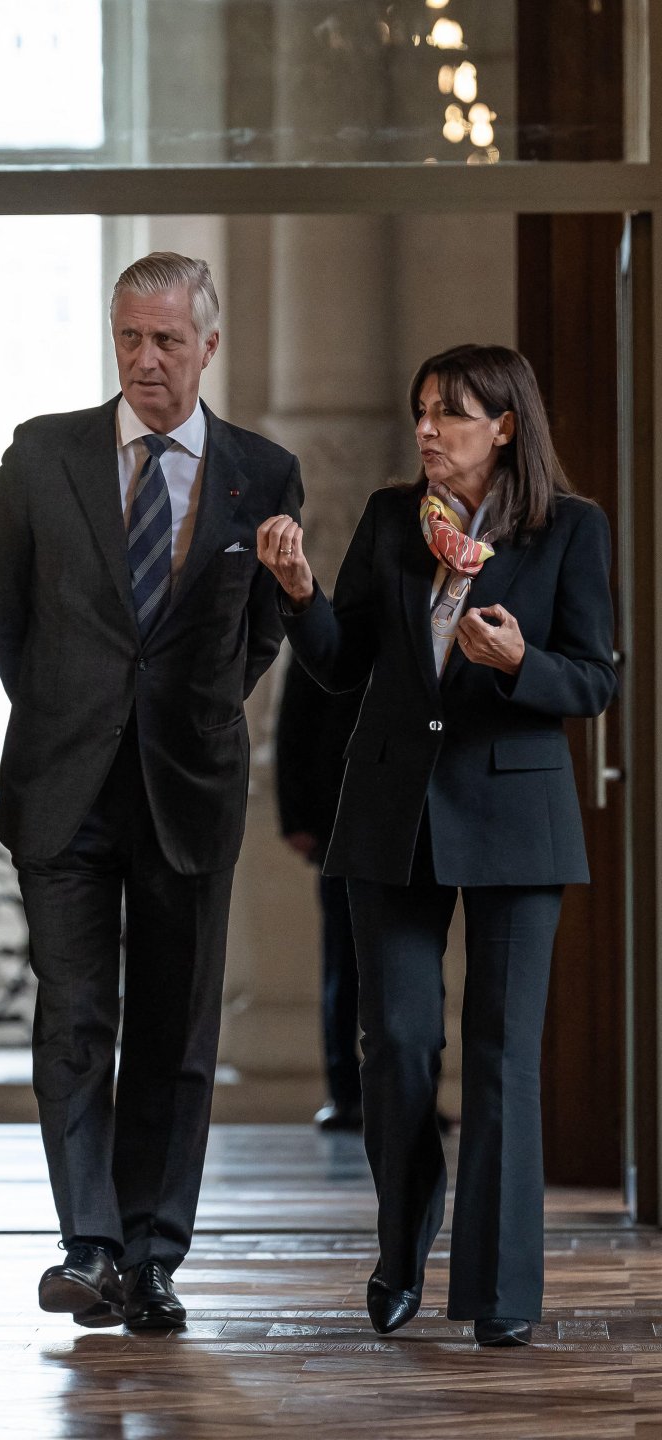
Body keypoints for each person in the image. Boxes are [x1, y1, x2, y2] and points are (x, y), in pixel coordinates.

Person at [257, 343, 617, 1349]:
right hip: (391, 816)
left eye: (450, 413)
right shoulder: (389, 521)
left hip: (515, 818)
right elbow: (339, 667)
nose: (427, 429)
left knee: (505, 1056)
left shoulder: (570, 530)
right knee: (401, 1049)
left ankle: (500, 1287)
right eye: (421, 410)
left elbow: (593, 679)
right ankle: (403, 1245)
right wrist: (298, 597)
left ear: (505, 427)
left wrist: (516, 664)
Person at [0, 252, 302, 1331]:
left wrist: (189, 712)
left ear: (210, 344)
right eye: (129, 338)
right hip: (65, 782)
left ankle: (157, 1256)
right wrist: (73, 707)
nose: (146, 359)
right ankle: (92, 1247)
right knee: (73, 1020)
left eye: (167, 340)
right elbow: (3, 605)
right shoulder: (41, 456)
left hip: (189, 787)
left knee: (176, 1033)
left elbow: (258, 633)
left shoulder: (265, 473)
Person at [273, 654, 365, 1130]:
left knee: (412, 965)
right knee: (343, 966)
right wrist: (296, 818)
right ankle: (344, 1093)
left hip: (406, 818)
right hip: (336, 820)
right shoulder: (325, 619)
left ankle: (411, 1094)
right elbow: (292, 726)